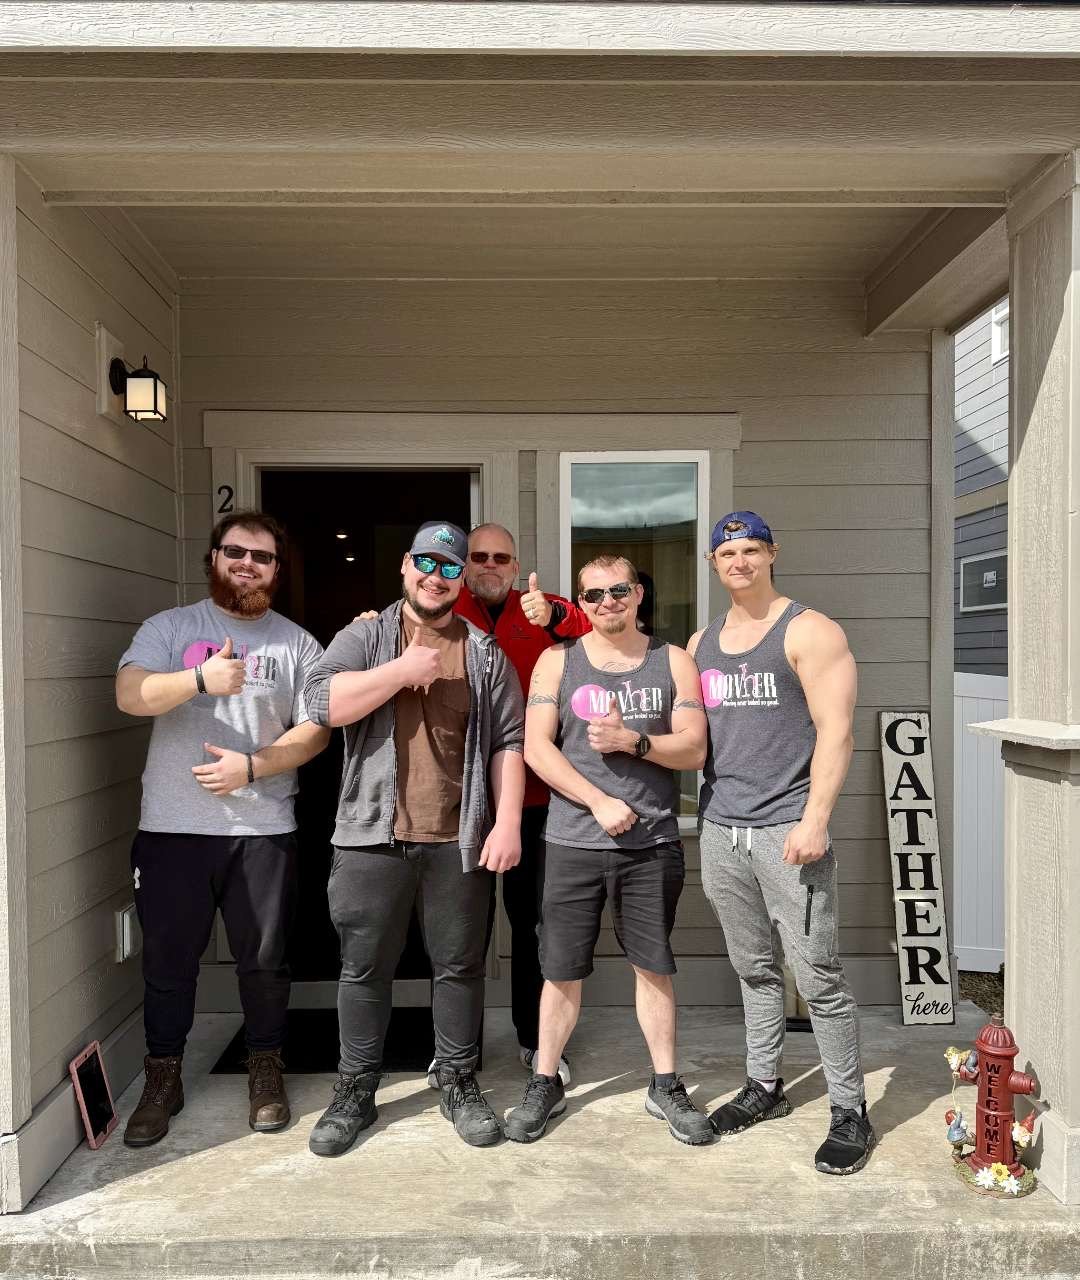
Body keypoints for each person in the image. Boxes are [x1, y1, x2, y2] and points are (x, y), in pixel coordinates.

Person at [303, 520, 525, 1156]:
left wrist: (506, 820)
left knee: (459, 967)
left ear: (462, 580)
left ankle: (456, 1079)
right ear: (406, 566)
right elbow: (320, 702)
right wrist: (401, 670)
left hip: (458, 840)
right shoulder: (367, 635)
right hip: (370, 837)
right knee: (363, 968)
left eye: (451, 568)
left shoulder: (483, 654)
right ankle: (355, 1090)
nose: (437, 576)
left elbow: (510, 741)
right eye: (427, 563)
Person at [115, 510, 329, 1147]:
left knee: (264, 962)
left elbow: (316, 731)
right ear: (213, 558)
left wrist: (253, 767)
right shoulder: (170, 628)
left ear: (276, 570)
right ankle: (164, 1078)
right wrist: (198, 679)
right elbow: (130, 694)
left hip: (261, 827)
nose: (248, 564)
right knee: (168, 961)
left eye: (262, 557)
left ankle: (265, 1069)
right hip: (172, 829)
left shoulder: (297, 644)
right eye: (236, 552)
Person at [688, 510, 875, 1174]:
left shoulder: (810, 630)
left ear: (772, 554)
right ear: (713, 564)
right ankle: (764, 1087)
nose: (738, 561)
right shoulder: (702, 641)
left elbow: (837, 731)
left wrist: (817, 818)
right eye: (726, 552)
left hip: (787, 829)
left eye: (750, 550)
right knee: (754, 969)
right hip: (722, 830)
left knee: (818, 977)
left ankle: (850, 1109)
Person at [505, 554, 713, 1146]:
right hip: (573, 842)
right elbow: (537, 750)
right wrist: (597, 801)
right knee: (560, 970)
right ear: (581, 602)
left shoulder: (672, 661)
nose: (607, 603)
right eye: (593, 596)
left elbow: (694, 750)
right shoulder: (556, 662)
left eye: (618, 591)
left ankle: (665, 1085)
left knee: (653, 966)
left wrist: (634, 741)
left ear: (638, 593)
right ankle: (545, 1081)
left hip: (650, 844)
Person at [452, 523, 590, 1084]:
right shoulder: (442, 603)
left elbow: (593, 623)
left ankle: (536, 1040)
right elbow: (388, 623)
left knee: (533, 925)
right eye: (478, 556)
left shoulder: (540, 608)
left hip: (536, 801)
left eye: (500, 557)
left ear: (515, 565)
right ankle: (455, 1046)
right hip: (459, 801)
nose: (489, 565)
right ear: (464, 563)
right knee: (459, 931)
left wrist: (554, 618)